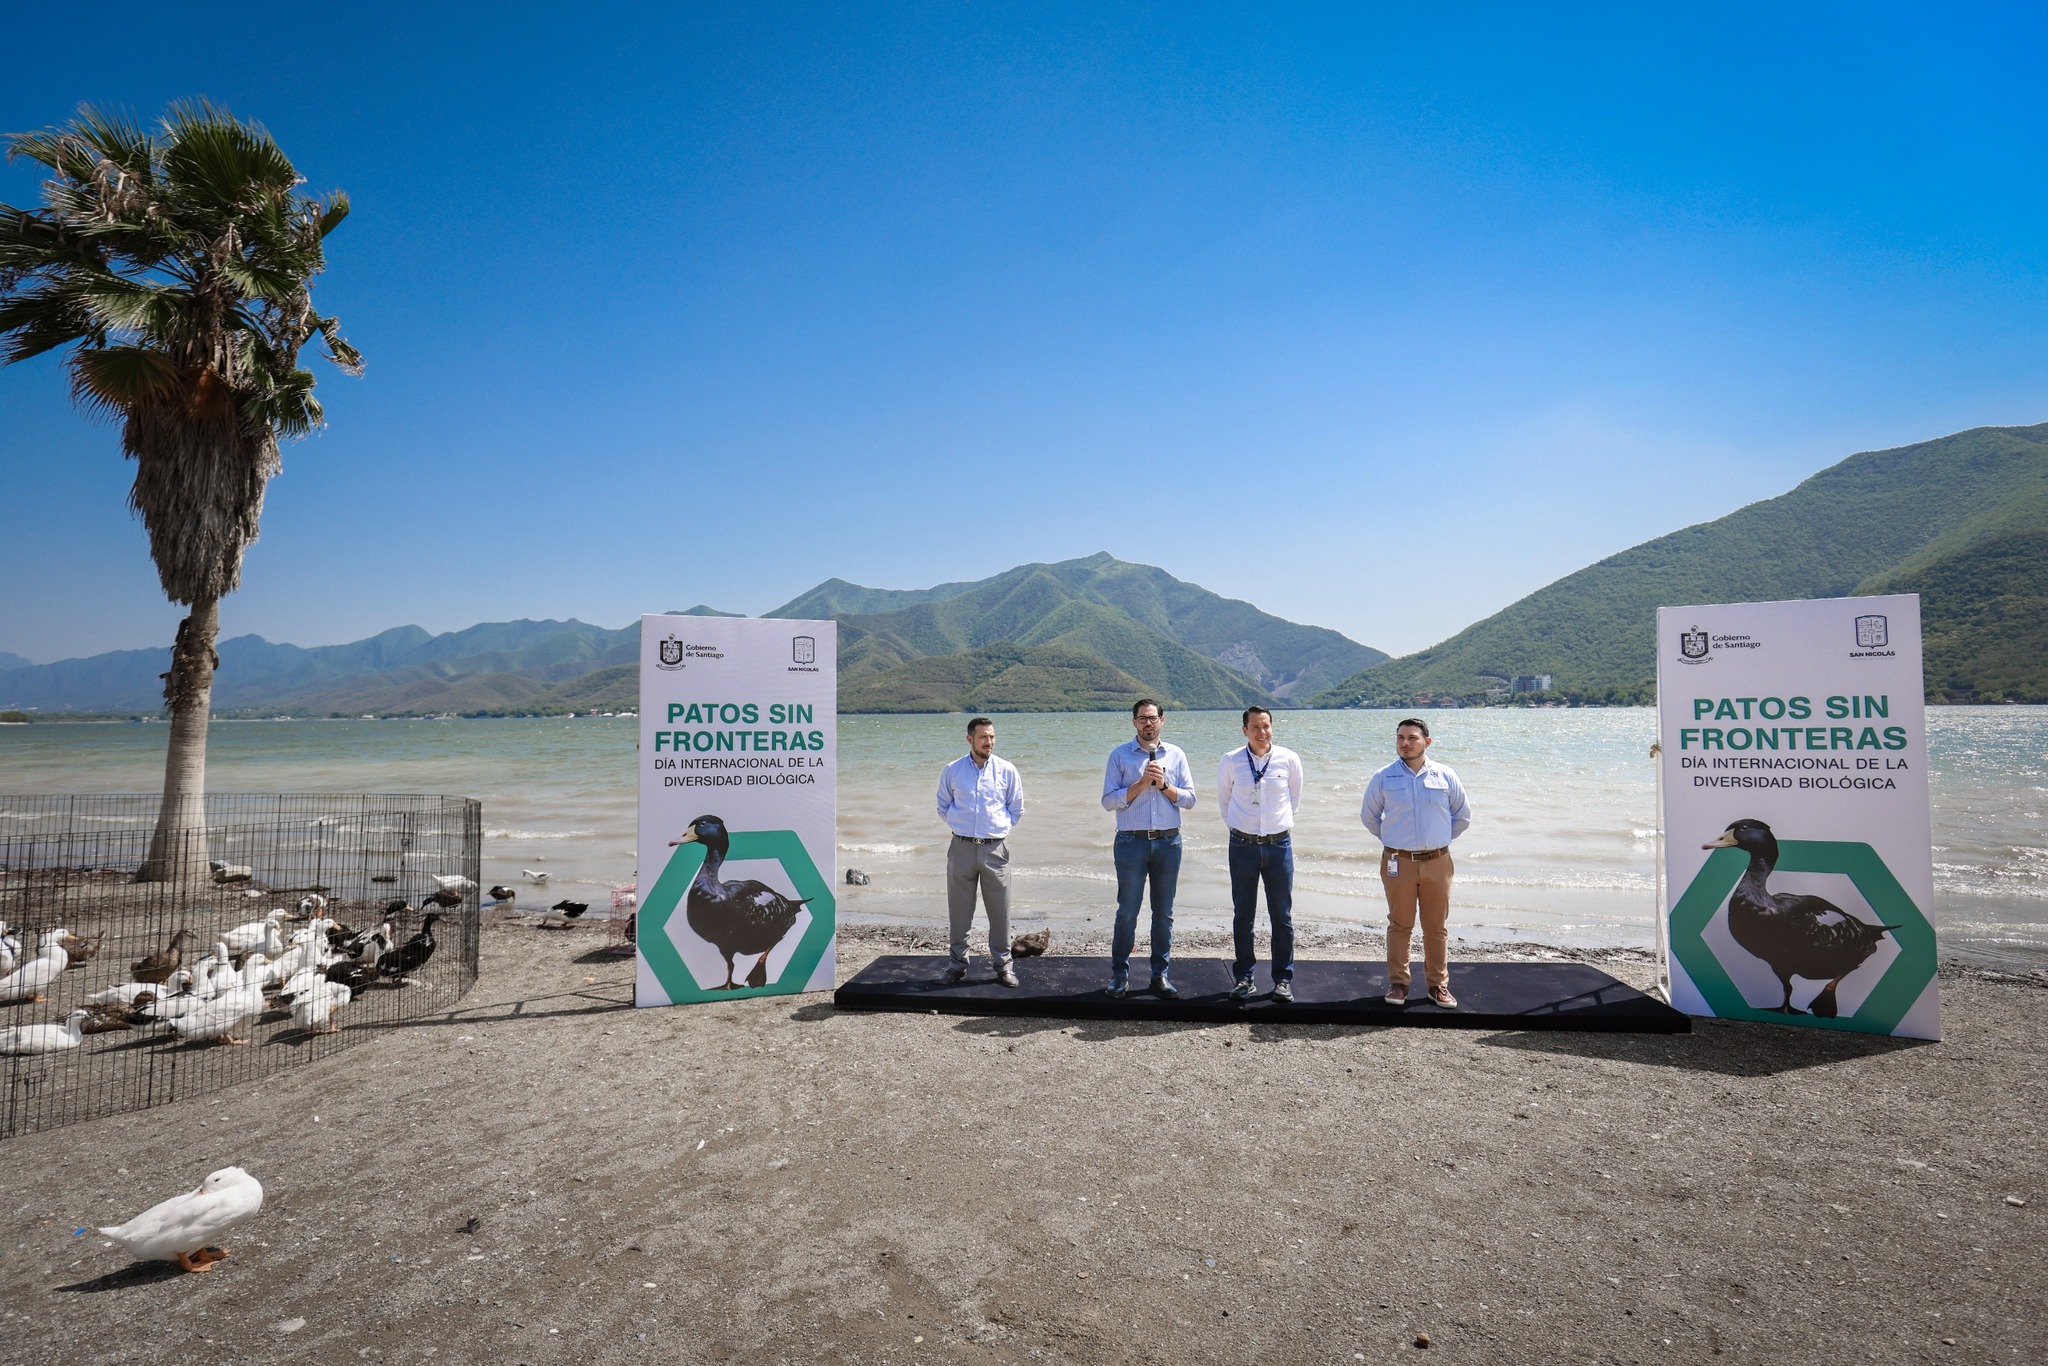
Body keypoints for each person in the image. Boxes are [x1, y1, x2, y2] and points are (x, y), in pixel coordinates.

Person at [1361, 717, 1474, 1008]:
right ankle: (1399, 984)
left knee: (1436, 927)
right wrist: (1394, 840)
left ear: (1427, 742)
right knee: (1400, 924)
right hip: (1398, 862)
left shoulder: (1445, 775)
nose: (1405, 743)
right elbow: (1369, 817)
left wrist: (1437, 841)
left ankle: (1437, 986)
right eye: (1400, 738)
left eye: (1412, 737)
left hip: (1438, 862)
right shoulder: (1384, 776)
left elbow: (1462, 817)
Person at [1099, 697, 1197, 998]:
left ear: (1162, 721)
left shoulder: (1176, 755)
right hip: (1131, 842)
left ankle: (1160, 975)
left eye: (1153, 718)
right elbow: (1108, 801)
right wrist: (1142, 783)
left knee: (1164, 913)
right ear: (1134, 722)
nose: (1148, 723)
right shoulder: (1120, 755)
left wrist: (1165, 786)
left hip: (1168, 842)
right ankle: (1119, 975)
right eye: (1142, 718)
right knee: (1127, 912)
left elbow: (1190, 799)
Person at [1215, 705, 1304, 1002]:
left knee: (1282, 916)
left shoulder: (1289, 759)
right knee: (1244, 915)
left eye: (1266, 726)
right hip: (1242, 846)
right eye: (1255, 727)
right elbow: (1224, 801)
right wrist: (1243, 828)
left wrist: (1274, 827)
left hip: (1279, 846)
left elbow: (1294, 801)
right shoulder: (1231, 760)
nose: (1262, 732)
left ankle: (1282, 980)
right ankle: (1244, 978)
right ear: (1245, 730)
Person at [934, 716, 1025, 986]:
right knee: (959, 911)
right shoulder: (952, 770)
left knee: (1000, 912)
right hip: (960, 848)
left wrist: (995, 830)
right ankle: (957, 965)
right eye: (984, 737)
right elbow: (942, 806)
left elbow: (1016, 809)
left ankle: (1003, 966)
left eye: (992, 736)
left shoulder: (1007, 770)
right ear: (970, 739)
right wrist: (962, 828)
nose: (989, 742)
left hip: (995, 849)